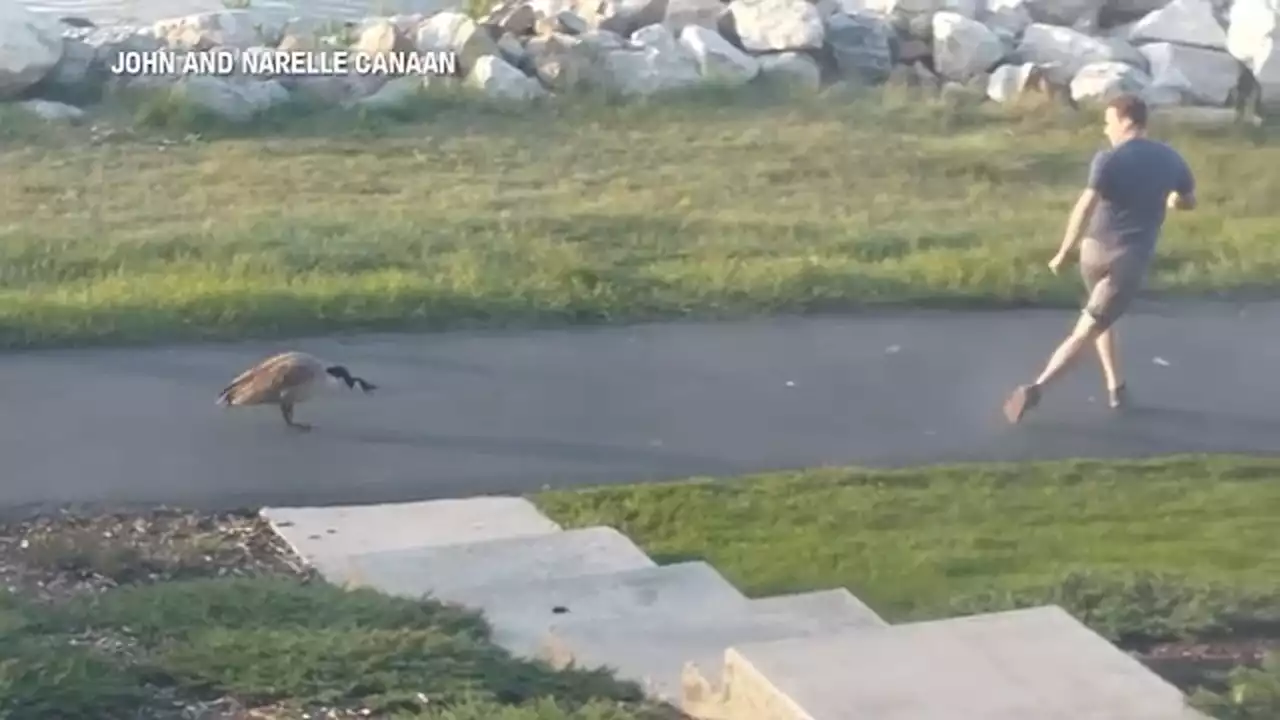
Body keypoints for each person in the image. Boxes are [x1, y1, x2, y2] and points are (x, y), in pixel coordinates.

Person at [1002, 93, 1196, 424]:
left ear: (1126, 120)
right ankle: (1036, 388)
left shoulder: (1107, 159)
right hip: (1126, 261)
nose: (1106, 130)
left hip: (1092, 252)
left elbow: (1085, 206)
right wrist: (1173, 201)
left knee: (1102, 319)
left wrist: (1064, 251)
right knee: (1087, 329)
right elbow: (1188, 201)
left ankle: (1116, 387)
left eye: (1108, 122)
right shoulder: (1171, 159)